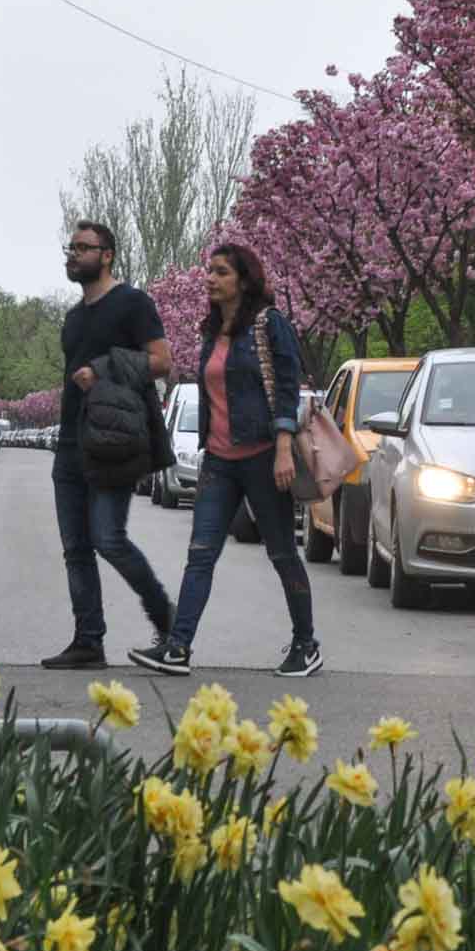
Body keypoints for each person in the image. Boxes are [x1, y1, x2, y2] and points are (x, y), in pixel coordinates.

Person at [130, 243, 321, 679]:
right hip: (218, 460)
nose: (210, 279)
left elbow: (289, 387)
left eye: (220, 272)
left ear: (243, 279)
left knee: (282, 554)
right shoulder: (212, 331)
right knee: (200, 554)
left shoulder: (269, 325)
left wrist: (284, 448)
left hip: (262, 457)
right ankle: (177, 648)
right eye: (209, 271)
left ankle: (306, 644)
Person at [41, 222, 177, 672]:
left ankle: (167, 620)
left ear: (108, 255)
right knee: (76, 547)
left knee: (108, 538)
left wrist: (102, 370)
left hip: (114, 442)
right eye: (71, 248)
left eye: (83, 248)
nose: (73, 255)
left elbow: (161, 361)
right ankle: (88, 641)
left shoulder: (132, 303)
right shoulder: (74, 316)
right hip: (71, 441)